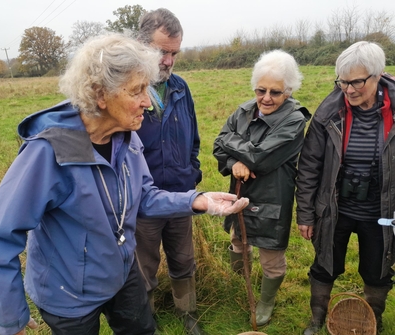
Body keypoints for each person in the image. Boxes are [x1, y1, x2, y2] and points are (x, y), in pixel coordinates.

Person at [0, 33, 249, 335]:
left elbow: (144, 196)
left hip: (121, 272)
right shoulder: (48, 152)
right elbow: (0, 236)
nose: (148, 103)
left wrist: (193, 201)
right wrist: (10, 317)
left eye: (146, 89)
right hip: (67, 293)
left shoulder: (127, 137)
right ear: (100, 95)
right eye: (137, 91)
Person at [296, 41, 395, 335]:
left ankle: (371, 320)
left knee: (378, 270)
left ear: (378, 75)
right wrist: (305, 214)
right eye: (342, 82)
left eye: (356, 82)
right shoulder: (328, 113)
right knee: (325, 265)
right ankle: (317, 319)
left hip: (381, 211)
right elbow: (309, 165)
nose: (348, 90)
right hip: (335, 208)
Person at [213, 49, 311, 327]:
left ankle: (267, 300)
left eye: (275, 92)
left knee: (270, 252)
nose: (266, 98)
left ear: (288, 91)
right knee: (238, 238)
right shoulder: (244, 109)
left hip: (272, 196)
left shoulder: (294, 120)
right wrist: (234, 162)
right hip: (240, 189)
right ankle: (238, 283)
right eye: (261, 90)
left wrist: (234, 148)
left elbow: (260, 158)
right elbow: (217, 144)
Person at [134, 8, 205, 335]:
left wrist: (192, 173)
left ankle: (187, 314)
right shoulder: (129, 92)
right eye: (161, 51)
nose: (168, 61)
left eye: (174, 53)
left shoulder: (181, 88)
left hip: (180, 197)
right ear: (140, 44)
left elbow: (194, 138)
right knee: (143, 267)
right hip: (141, 204)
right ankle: (145, 320)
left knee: (183, 261)